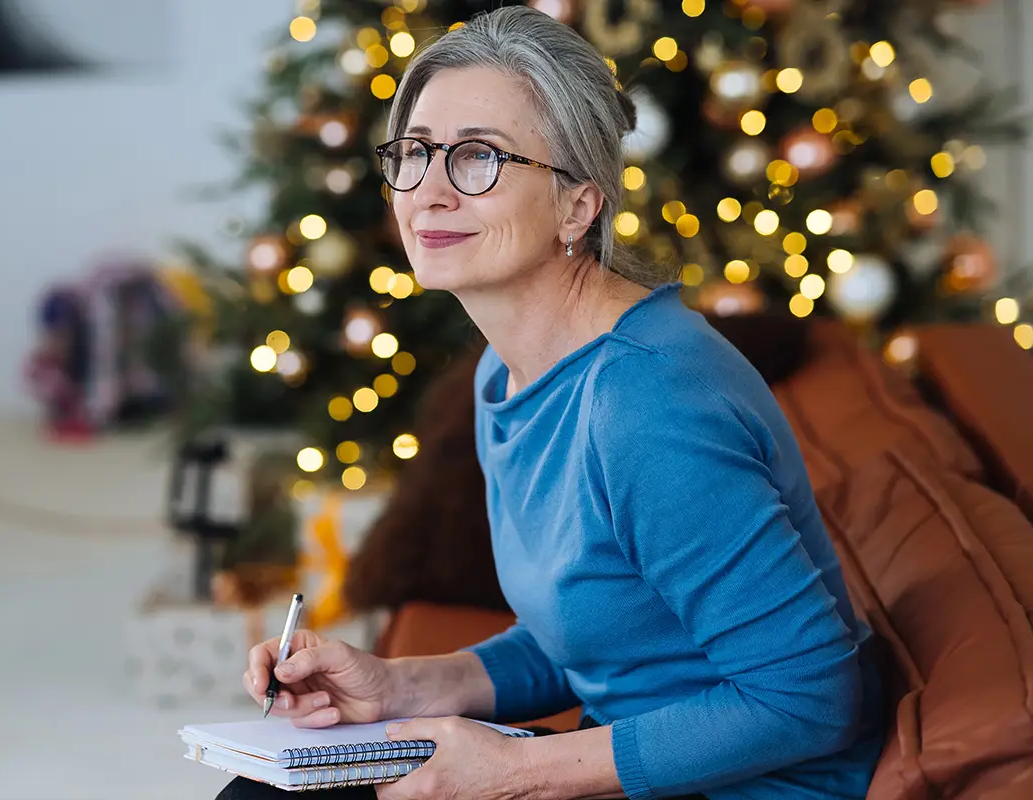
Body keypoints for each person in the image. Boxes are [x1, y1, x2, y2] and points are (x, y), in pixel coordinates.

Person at [219, 6, 884, 800]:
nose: (428, 191)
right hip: (627, 762)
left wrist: (516, 773)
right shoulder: (505, 374)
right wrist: (399, 686)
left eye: (479, 159)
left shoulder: (647, 404)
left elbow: (810, 699)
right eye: (415, 153)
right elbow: (593, 641)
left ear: (579, 204)